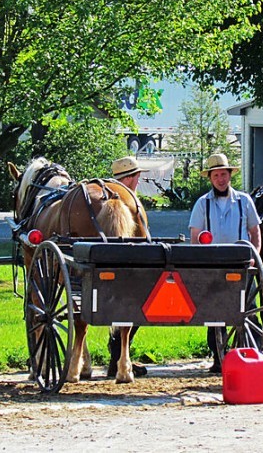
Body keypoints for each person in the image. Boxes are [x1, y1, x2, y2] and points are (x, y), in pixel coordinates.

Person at [188, 153, 261, 373]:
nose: (220, 179)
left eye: (223, 174)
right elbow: (195, 237)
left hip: (241, 264)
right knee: (214, 312)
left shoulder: (244, 201)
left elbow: (255, 232)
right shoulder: (202, 204)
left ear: (230, 176)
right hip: (214, 266)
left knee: (248, 310)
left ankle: (253, 354)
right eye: (216, 175)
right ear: (210, 178)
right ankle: (218, 356)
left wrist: (254, 256)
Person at [107, 155, 149, 378]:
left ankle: (117, 356)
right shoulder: (134, 203)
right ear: (133, 178)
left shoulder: (100, 201)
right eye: (136, 177)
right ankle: (120, 356)